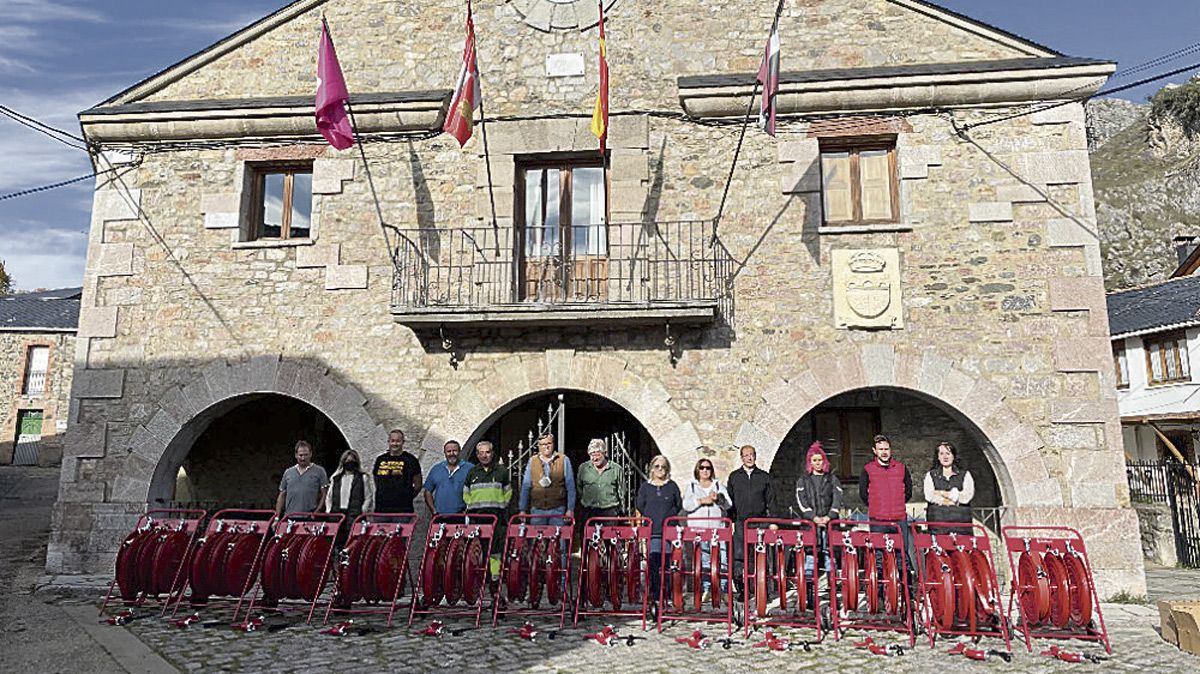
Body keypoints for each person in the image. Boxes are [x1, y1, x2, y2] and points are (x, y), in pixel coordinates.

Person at [858, 434, 916, 599]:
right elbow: (863, 493)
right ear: (874, 451)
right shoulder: (868, 469)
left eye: (886, 449)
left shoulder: (901, 468)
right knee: (878, 556)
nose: (884, 452)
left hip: (898, 519)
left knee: (902, 556)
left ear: (890, 450)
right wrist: (877, 506)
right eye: (881, 449)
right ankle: (881, 594)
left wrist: (896, 505)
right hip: (878, 520)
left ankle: (907, 592)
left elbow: (909, 491)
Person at [795, 441, 842, 605]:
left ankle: (832, 594)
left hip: (828, 524)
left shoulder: (832, 479)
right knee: (810, 558)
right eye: (814, 460)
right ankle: (809, 596)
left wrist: (829, 517)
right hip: (811, 525)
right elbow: (802, 501)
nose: (817, 463)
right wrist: (813, 517)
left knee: (829, 557)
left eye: (820, 460)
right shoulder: (803, 480)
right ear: (810, 462)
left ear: (824, 461)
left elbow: (837, 499)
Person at [635, 455, 682, 619]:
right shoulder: (645, 488)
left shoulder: (672, 486)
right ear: (652, 469)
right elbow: (640, 504)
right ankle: (656, 596)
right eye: (657, 466)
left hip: (668, 532)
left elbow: (678, 505)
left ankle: (667, 596)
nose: (660, 470)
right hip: (653, 532)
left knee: (667, 565)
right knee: (654, 563)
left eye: (663, 467)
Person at [682, 455, 731, 601]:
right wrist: (701, 501)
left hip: (717, 528)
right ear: (697, 470)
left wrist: (719, 499)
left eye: (708, 468)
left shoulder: (718, 485)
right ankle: (707, 589)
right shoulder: (691, 486)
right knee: (704, 559)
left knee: (722, 559)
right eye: (702, 468)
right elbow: (686, 506)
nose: (705, 470)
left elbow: (728, 504)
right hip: (700, 529)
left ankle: (723, 590)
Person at [462, 440, 512, 582]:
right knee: (477, 547)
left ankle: (495, 577)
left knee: (495, 548)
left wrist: (502, 504)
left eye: (487, 452)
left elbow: (508, 492)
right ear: (477, 455)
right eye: (481, 453)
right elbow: (466, 492)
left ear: (492, 454)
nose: (484, 456)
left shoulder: (501, 471)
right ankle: (479, 576)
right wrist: (471, 504)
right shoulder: (472, 472)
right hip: (476, 516)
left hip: (495, 515)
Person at [727, 444, 774, 593]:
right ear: (741, 458)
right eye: (746, 455)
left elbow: (771, 500)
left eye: (752, 454)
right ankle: (742, 589)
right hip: (741, 522)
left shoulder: (764, 477)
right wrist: (732, 521)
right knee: (740, 556)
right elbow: (730, 500)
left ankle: (762, 589)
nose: (749, 457)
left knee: (761, 555)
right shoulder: (734, 477)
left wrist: (772, 521)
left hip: (760, 521)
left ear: (755, 456)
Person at [518, 433, 575, 526]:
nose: (546, 446)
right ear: (539, 446)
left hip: (557, 509)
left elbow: (570, 486)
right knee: (536, 538)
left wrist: (570, 509)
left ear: (553, 444)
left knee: (559, 538)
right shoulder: (532, 461)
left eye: (549, 443)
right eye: (543, 444)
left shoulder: (563, 460)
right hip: (537, 509)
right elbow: (526, 486)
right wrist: (522, 509)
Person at [326, 449, 375, 547]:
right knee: (337, 542)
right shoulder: (336, 478)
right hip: (338, 514)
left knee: (354, 542)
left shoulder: (363, 478)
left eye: (352, 461)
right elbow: (329, 497)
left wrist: (363, 510)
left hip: (354, 514)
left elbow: (368, 496)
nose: (349, 463)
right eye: (347, 461)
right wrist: (329, 510)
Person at [923, 441, 975, 533]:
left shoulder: (966, 475)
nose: (945, 457)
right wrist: (955, 497)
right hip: (938, 525)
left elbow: (966, 497)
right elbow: (929, 496)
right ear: (938, 457)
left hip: (961, 524)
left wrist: (940, 493)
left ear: (953, 456)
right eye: (941, 453)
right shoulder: (930, 475)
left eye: (948, 453)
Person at [576, 438, 624, 527]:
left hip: (610, 511)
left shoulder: (616, 469)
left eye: (597, 455)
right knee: (586, 538)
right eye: (592, 455)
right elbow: (579, 488)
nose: (594, 458)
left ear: (605, 453)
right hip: (589, 511)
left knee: (611, 539)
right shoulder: (583, 468)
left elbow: (622, 491)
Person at [372, 429, 423, 514]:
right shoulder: (380, 460)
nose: (395, 444)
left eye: (398, 441)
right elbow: (376, 480)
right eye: (392, 441)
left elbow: (418, 484)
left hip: (403, 510)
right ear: (388, 442)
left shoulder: (411, 460)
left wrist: (407, 496)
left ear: (403, 442)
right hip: (382, 508)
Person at [275, 440, 329, 516]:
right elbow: (281, 495)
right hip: (289, 516)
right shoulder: (288, 472)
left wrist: (317, 511)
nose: (303, 458)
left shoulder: (319, 471)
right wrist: (277, 517)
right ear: (296, 455)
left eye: (306, 455)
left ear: (311, 454)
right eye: (300, 455)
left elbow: (325, 494)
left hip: (310, 517)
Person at [422, 440, 474, 515]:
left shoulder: (470, 468)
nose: (452, 454)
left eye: (455, 451)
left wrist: (469, 510)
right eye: (449, 451)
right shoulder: (436, 469)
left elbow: (476, 491)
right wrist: (433, 510)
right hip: (440, 515)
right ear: (445, 453)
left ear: (460, 451)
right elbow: (427, 491)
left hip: (461, 515)